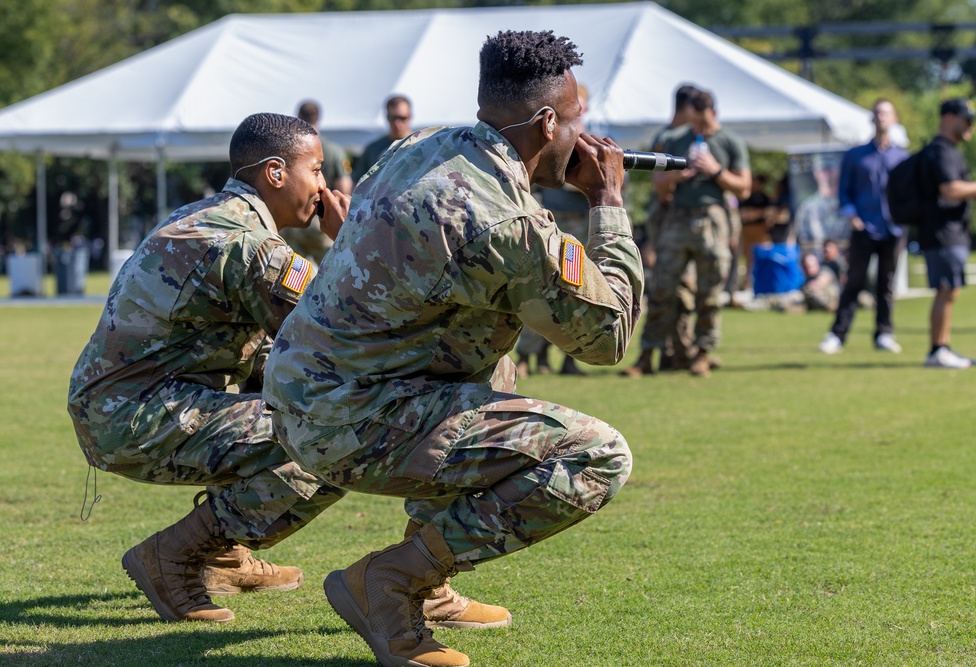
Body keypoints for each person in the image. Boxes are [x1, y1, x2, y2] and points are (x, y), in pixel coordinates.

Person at [263, 30, 639, 667]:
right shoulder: (506, 221)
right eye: (582, 121)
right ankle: (392, 581)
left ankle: (427, 584)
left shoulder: (417, 148)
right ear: (549, 122)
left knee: (496, 356)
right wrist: (607, 204)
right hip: (351, 421)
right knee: (598, 456)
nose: (590, 140)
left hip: (299, 399)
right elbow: (608, 337)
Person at [68, 113, 352, 623]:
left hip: (124, 404)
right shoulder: (252, 246)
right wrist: (349, 242)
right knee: (344, 434)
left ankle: (225, 555)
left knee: (281, 385)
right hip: (137, 415)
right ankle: (176, 557)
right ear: (275, 173)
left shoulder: (208, 213)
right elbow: (350, 330)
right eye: (316, 170)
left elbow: (277, 352)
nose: (325, 185)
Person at [637, 88, 751, 377]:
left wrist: (715, 170)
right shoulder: (676, 139)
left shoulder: (730, 142)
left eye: (703, 123)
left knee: (710, 293)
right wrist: (678, 174)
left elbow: (744, 188)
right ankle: (647, 353)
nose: (698, 128)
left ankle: (702, 353)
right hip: (678, 218)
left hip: (713, 219)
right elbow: (658, 184)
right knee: (662, 288)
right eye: (694, 122)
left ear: (715, 114)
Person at [818, 99, 910, 355]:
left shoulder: (902, 157)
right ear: (871, 119)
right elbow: (844, 191)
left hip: (893, 230)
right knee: (854, 281)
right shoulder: (856, 155)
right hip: (863, 228)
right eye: (877, 113)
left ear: (894, 119)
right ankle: (837, 335)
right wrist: (852, 216)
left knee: (886, 283)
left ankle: (884, 334)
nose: (881, 117)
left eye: (886, 113)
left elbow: (909, 194)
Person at [515, 82, 593, 378]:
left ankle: (569, 359)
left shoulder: (590, 141)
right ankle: (528, 356)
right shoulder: (550, 136)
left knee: (575, 292)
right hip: (553, 219)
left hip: (580, 223)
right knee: (542, 288)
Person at [623, 83, 699, 377]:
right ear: (688, 108)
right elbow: (661, 190)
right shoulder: (668, 138)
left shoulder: (689, 137)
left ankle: (680, 351)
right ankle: (652, 353)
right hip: (668, 223)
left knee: (685, 292)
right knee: (665, 289)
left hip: (682, 225)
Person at [918, 98, 975, 368]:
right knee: (946, 289)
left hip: (950, 231)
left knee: (949, 290)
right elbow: (950, 190)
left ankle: (942, 347)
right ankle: (938, 349)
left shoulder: (949, 150)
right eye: (967, 120)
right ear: (950, 117)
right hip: (943, 232)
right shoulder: (941, 151)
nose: (971, 128)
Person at [283, 100, 354, 263]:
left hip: (294, 222)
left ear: (298, 117)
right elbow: (343, 189)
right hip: (322, 223)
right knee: (333, 271)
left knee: (292, 279)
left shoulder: (288, 151)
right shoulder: (335, 151)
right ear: (319, 118)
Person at [351, 94, 413, 183]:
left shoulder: (423, 145)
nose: (397, 123)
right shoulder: (373, 150)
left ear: (410, 116)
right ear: (387, 117)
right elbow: (357, 184)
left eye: (402, 118)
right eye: (393, 118)